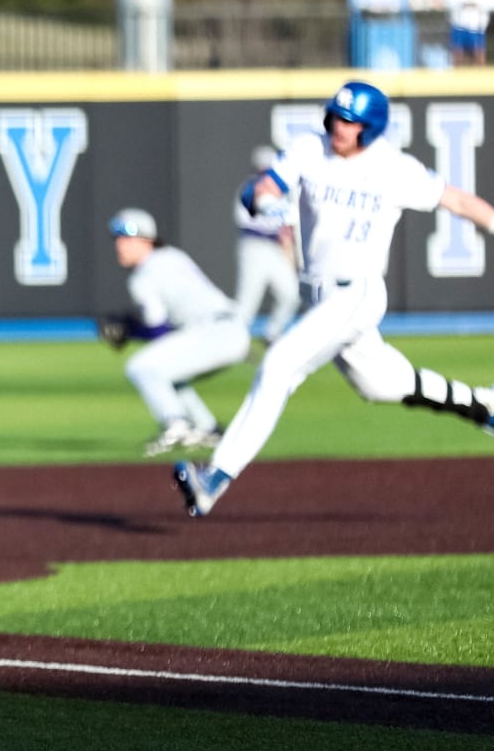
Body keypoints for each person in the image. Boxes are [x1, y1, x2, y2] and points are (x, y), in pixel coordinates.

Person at [175, 80, 494, 517]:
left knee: (278, 366)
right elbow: (261, 188)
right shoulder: (310, 148)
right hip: (320, 298)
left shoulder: (394, 167)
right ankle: (481, 405)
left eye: (350, 122)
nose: (339, 127)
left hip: (358, 291)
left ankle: (213, 477)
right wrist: (267, 204)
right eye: (336, 117)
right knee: (381, 384)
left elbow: (457, 201)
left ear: (371, 128)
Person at [101, 207, 251, 458]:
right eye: (117, 239)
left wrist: (128, 330)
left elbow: (158, 330)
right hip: (230, 329)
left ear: (147, 240)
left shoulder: (143, 276)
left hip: (212, 332)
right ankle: (206, 427)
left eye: (127, 239)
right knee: (165, 373)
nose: (120, 246)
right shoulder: (173, 256)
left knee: (140, 367)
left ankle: (175, 424)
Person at [234, 145, 301, 347]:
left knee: (291, 294)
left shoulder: (283, 192)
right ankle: (233, 339)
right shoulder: (248, 189)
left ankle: (272, 333)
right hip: (254, 247)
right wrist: (279, 228)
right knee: (247, 302)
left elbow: (290, 220)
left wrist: (287, 230)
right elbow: (246, 221)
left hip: (276, 250)